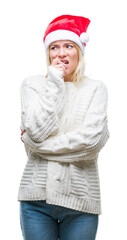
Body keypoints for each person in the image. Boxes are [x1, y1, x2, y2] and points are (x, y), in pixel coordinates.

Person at [18, 15, 109, 240]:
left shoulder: (96, 88)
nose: (61, 53)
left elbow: (91, 144)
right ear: (47, 53)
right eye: (54, 47)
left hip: (81, 201)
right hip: (36, 201)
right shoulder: (33, 85)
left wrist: (35, 144)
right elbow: (38, 131)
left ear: (79, 51)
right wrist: (55, 83)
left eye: (69, 46)